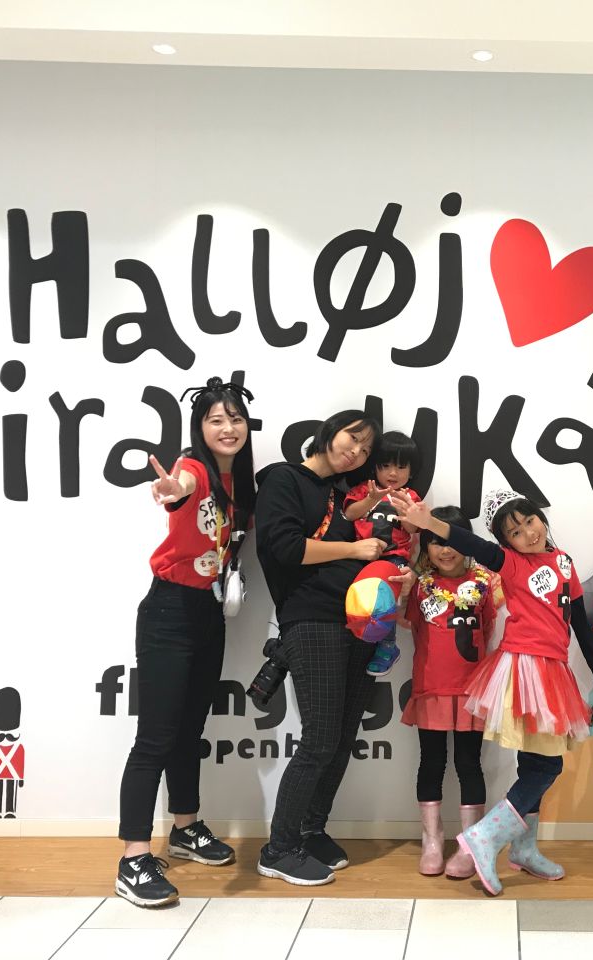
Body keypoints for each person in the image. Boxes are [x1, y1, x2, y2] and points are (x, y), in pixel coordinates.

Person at [393, 488, 593, 896]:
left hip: (555, 670)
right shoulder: (510, 564)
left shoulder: (563, 561)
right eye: (514, 531)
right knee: (547, 766)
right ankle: (485, 837)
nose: (528, 533)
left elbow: (579, 623)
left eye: (530, 521)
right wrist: (429, 523)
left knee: (534, 764)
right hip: (526, 668)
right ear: (505, 542)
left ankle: (524, 849)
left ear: (541, 518)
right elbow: (472, 544)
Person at [115, 377, 255, 908]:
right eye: (216, 420)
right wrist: (174, 490)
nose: (228, 428)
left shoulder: (242, 482)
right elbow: (182, 485)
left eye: (235, 419)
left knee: (189, 731)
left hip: (209, 612)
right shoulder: (194, 467)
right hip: (169, 610)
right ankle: (133, 858)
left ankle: (185, 828)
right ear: (200, 428)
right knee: (155, 737)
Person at [253, 409, 397, 887]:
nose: (356, 451)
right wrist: (355, 550)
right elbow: (285, 548)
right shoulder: (283, 479)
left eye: (365, 448)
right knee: (318, 740)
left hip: (354, 623)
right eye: (352, 438)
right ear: (329, 432)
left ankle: (311, 830)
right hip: (311, 620)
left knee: (340, 737)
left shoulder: (338, 497)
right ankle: (278, 849)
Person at [396, 506, 498, 878]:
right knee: (432, 762)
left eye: (452, 540)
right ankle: (432, 839)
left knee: (469, 764)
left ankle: (472, 844)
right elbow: (407, 624)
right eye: (436, 541)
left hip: (471, 690)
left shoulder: (485, 582)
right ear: (426, 546)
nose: (445, 549)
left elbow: (489, 630)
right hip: (431, 689)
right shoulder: (420, 585)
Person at [343, 430, 423, 678]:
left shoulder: (410, 496)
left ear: (411, 471)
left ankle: (388, 645)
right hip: (361, 557)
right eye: (385, 466)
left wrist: (406, 510)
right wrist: (370, 499)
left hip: (394, 558)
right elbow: (350, 514)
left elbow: (413, 530)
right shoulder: (363, 490)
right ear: (374, 467)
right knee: (358, 599)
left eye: (401, 467)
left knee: (384, 601)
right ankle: (357, 633)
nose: (393, 473)